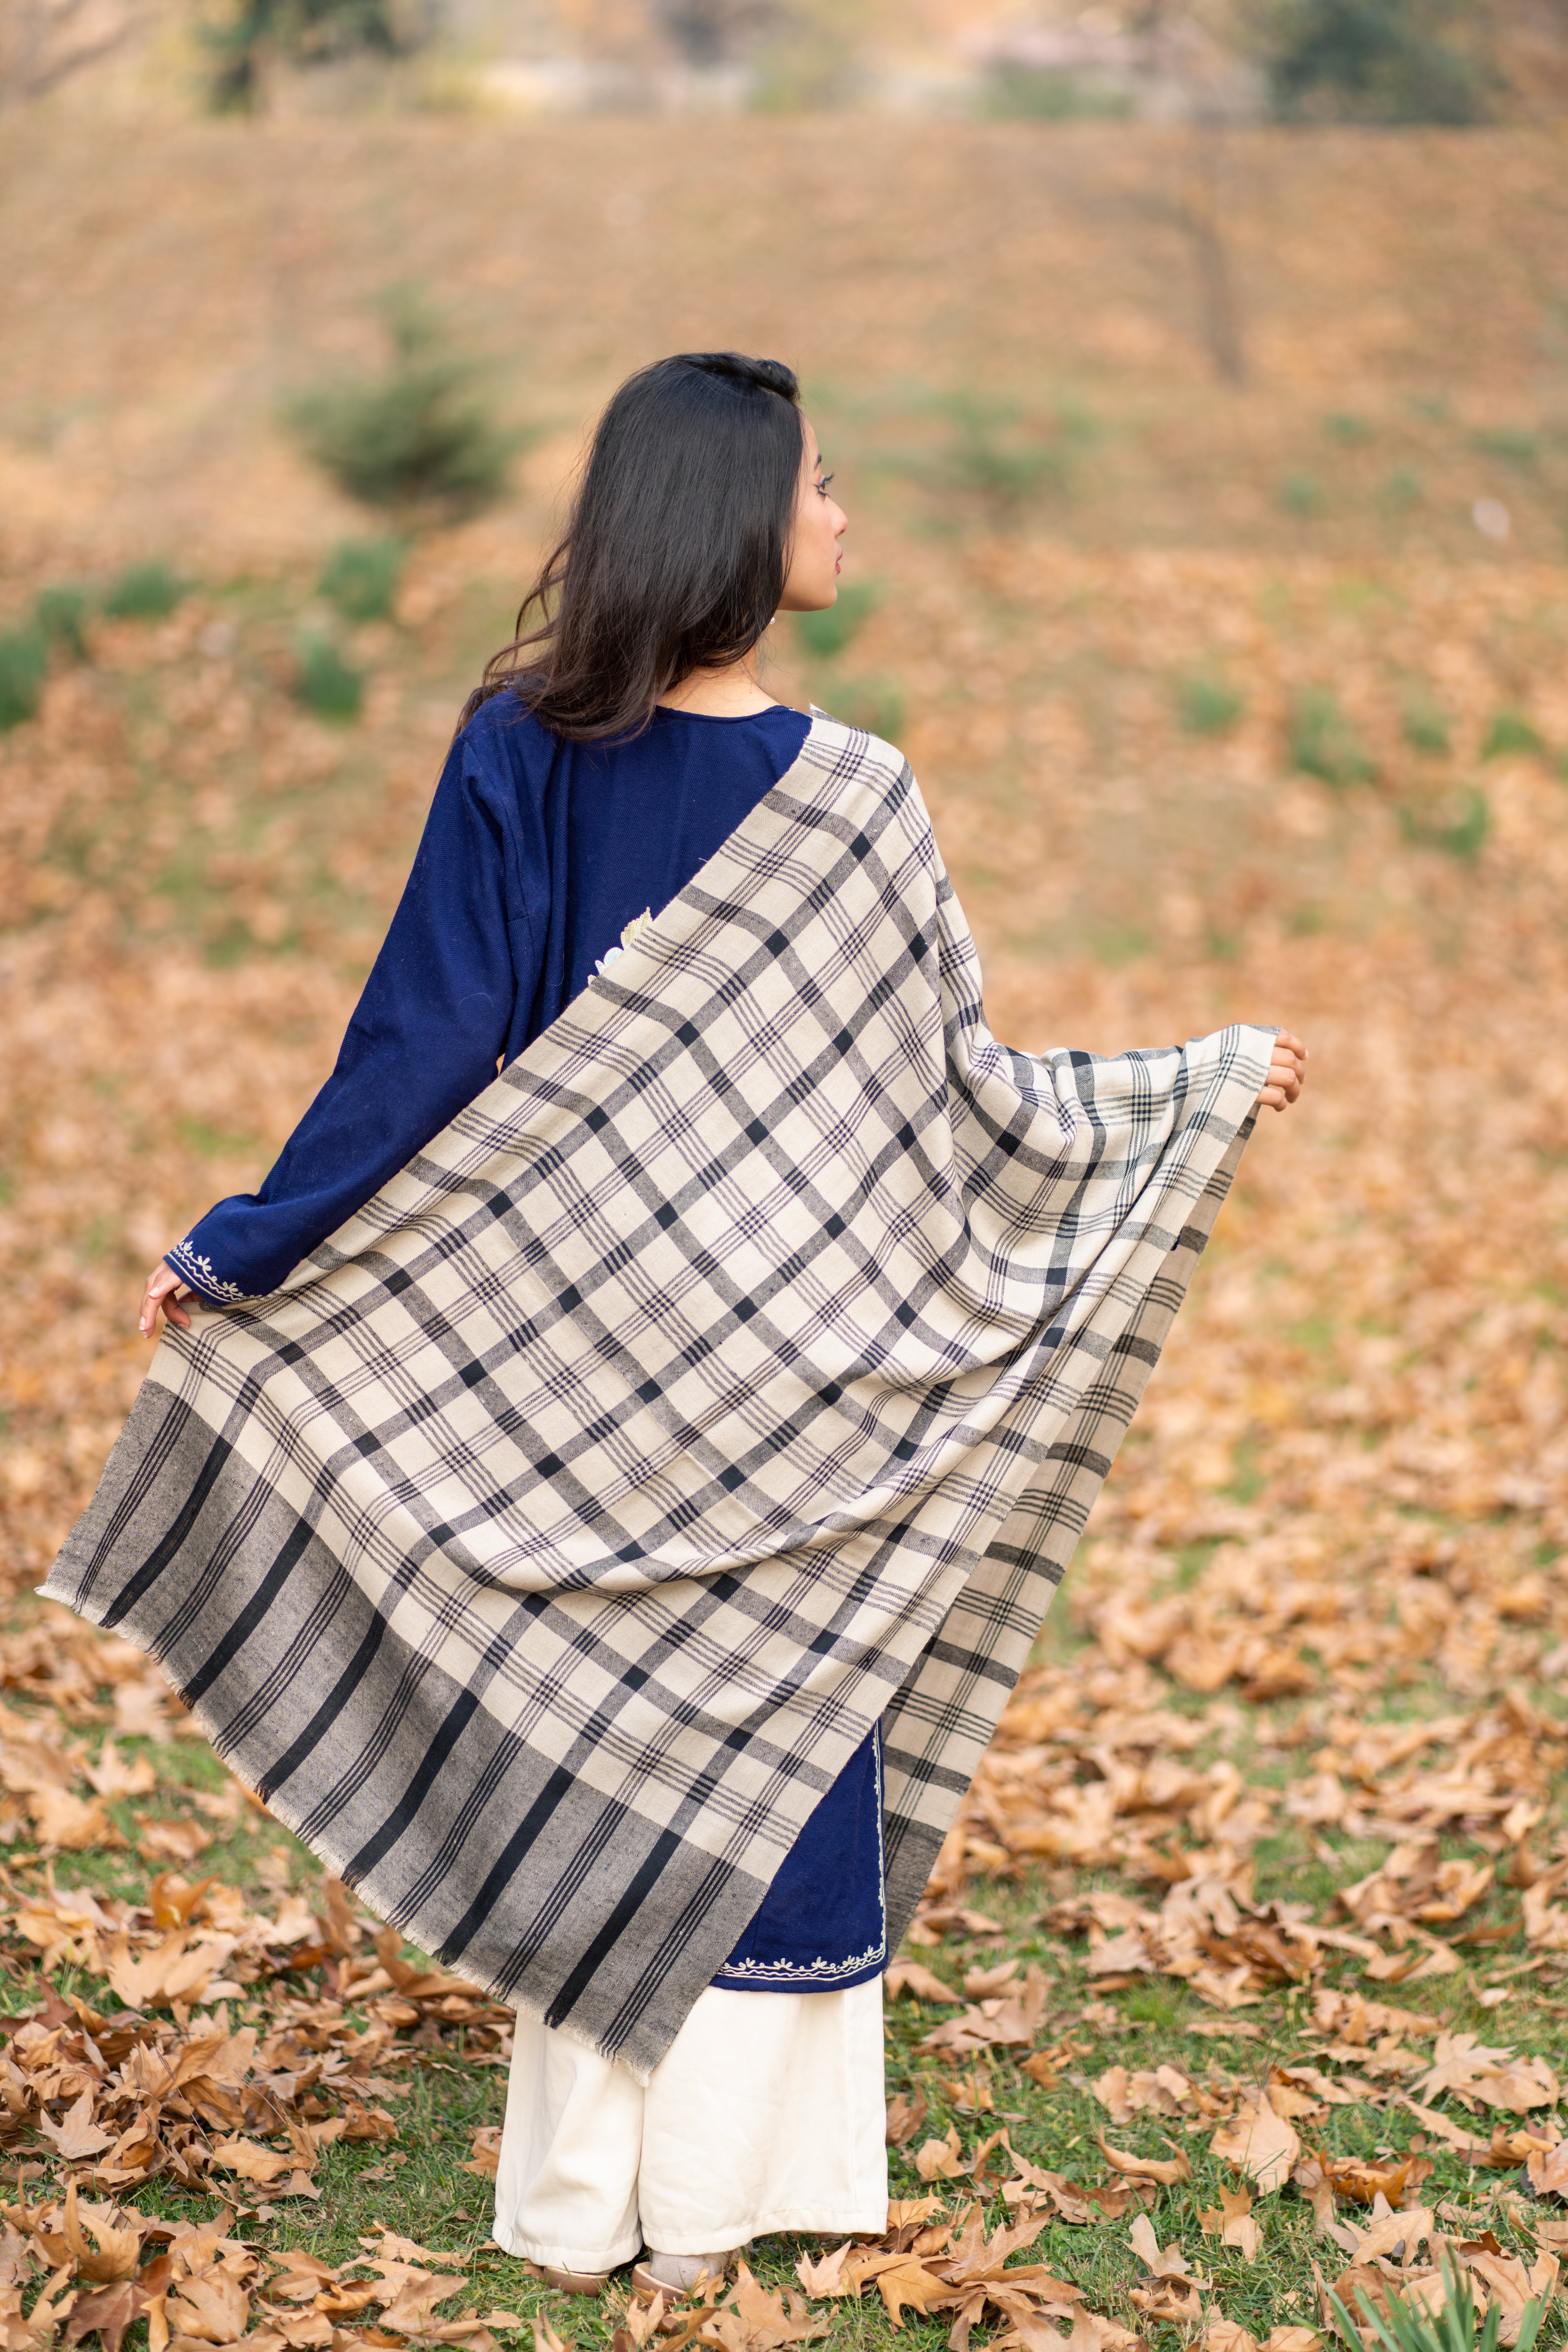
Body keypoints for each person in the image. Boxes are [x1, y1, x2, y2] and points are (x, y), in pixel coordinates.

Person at [61, 352, 1305, 2301]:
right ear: (732, 514)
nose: (843, 509)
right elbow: (969, 1107)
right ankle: (707, 2218)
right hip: (794, 1375)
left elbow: (421, 1053)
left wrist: (249, 1246)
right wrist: (1178, 1095)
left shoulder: (545, 754)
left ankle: (580, 2211)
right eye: (818, 481)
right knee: (775, 1742)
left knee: (601, 1747)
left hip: (575, 1371)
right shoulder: (846, 794)